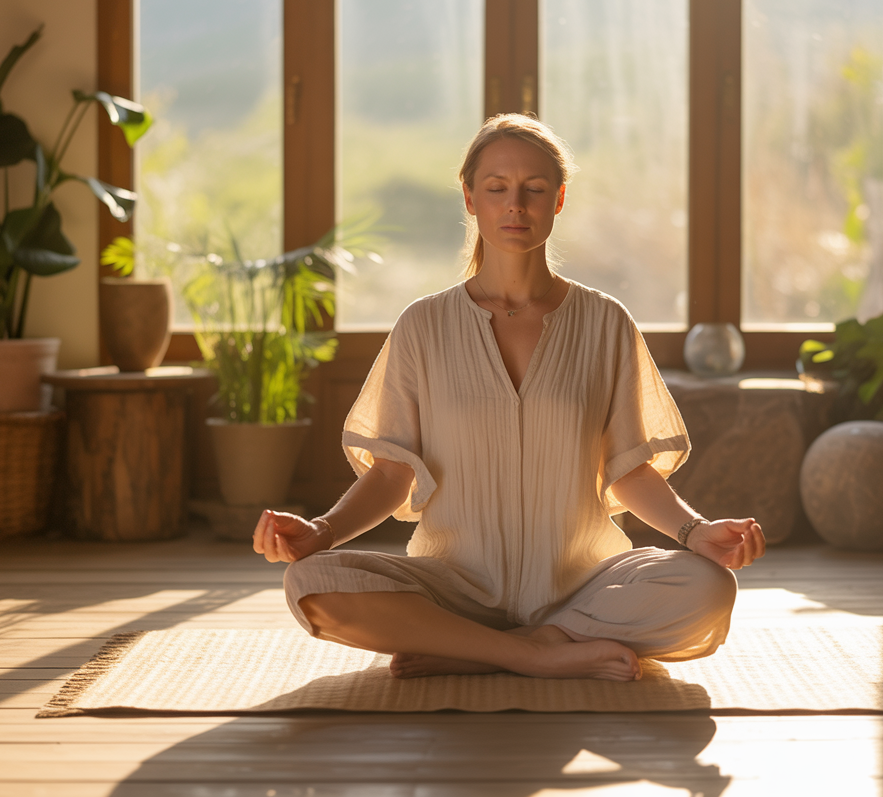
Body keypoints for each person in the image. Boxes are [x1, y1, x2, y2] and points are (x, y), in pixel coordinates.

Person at [252, 113, 765, 683]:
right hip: (452, 586)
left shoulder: (605, 323)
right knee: (310, 583)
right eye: (496, 188)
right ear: (470, 199)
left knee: (710, 585)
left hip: (584, 587)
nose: (515, 204)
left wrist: (696, 533)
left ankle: (498, 647)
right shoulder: (423, 325)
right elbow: (392, 471)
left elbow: (630, 471)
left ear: (559, 200)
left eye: (534, 189)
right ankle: (532, 655)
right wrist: (321, 532)